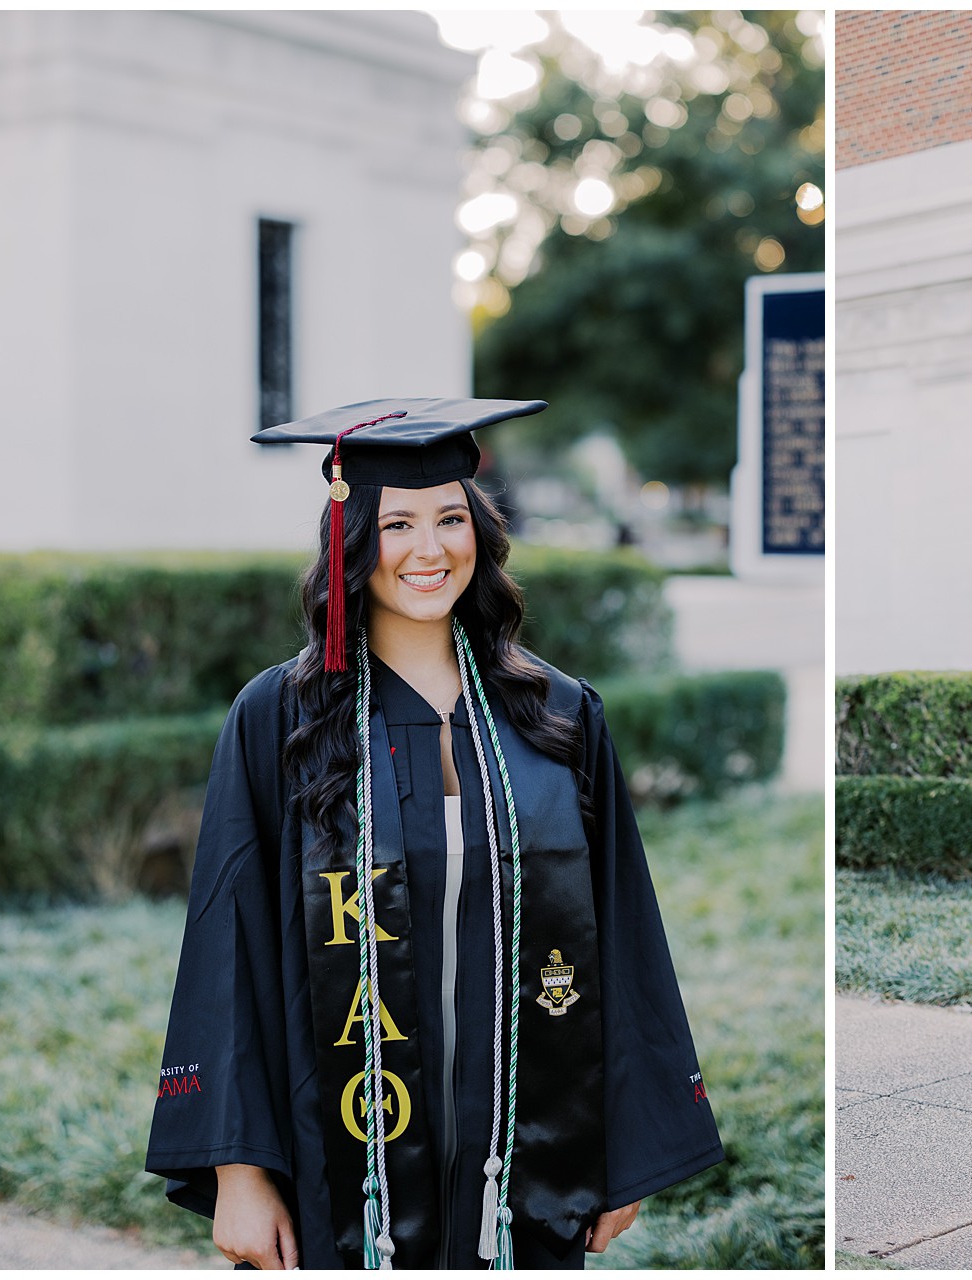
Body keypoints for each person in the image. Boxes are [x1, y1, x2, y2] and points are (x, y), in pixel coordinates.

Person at [146, 398, 724, 1269]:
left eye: (451, 518)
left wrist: (625, 1147)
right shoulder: (283, 719)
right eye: (398, 523)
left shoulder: (554, 714)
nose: (429, 550)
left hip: (527, 1151)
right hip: (342, 1156)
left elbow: (624, 935)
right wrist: (238, 1169)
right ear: (351, 543)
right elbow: (230, 947)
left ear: (481, 534)